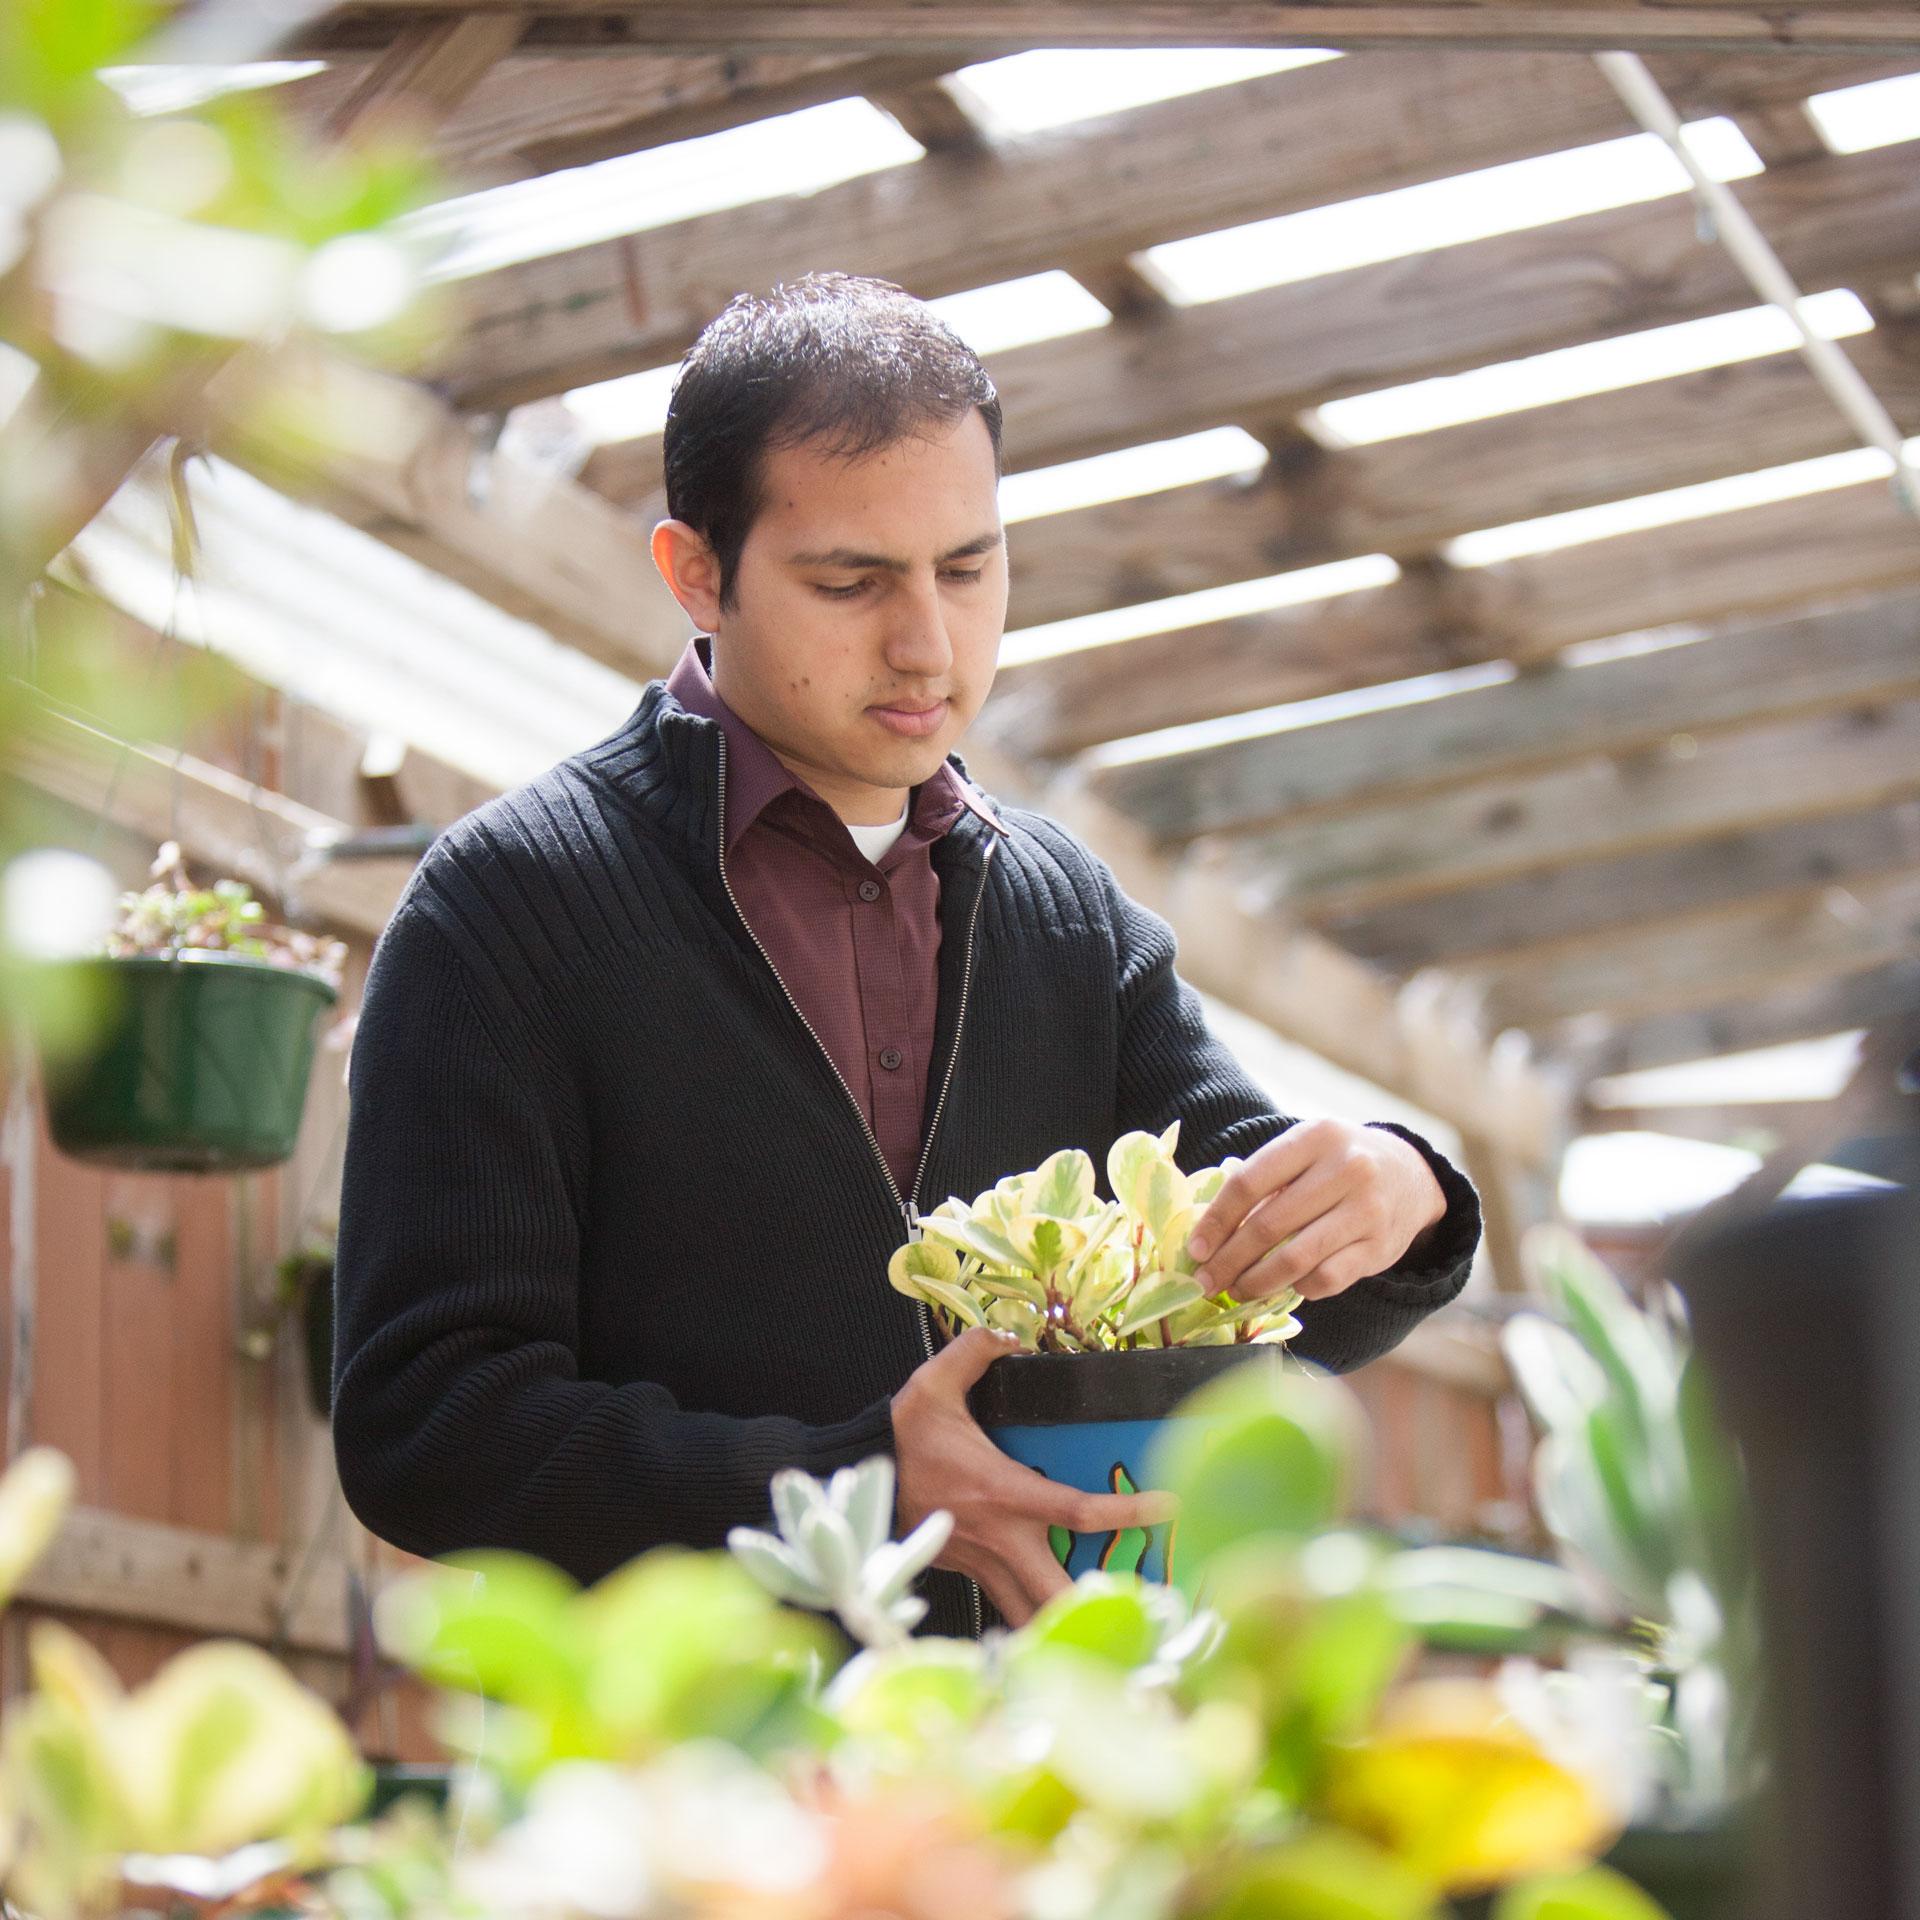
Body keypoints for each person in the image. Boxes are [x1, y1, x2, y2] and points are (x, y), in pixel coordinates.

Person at [331, 272, 1482, 1636]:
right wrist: (857, 1485)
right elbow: (427, 1427)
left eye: (968, 567)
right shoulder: (508, 909)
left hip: (1050, 1782)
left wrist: (1402, 1193)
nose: (927, 642)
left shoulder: (1065, 913)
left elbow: (1265, 1274)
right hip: (678, 1793)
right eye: (851, 580)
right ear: (698, 572)